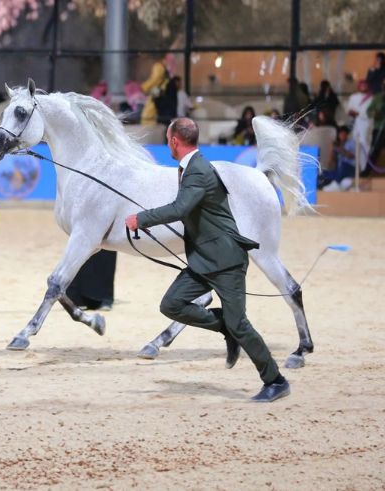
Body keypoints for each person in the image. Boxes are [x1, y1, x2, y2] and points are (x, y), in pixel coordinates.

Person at [124, 117, 290, 403]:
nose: (167, 144)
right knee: (172, 304)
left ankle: (275, 380)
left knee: (241, 326)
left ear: (175, 141)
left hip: (226, 260)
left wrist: (142, 218)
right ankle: (227, 326)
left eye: (167, 139)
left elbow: (180, 208)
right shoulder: (191, 168)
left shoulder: (198, 171)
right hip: (204, 259)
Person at [141, 53, 177, 125]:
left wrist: (144, 87)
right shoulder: (165, 68)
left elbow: (155, 79)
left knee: (149, 113)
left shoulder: (158, 66)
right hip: (162, 96)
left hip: (158, 95)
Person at [346, 79, 373, 170]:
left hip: (366, 125)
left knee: (365, 146)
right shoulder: (353, 97)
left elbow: (370, 113)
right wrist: (354, 113)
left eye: (365, 85)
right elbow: (349, 110)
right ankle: (356, 168)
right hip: (355, 125)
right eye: (361, 85)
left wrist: (358, 113)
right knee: (355, 145)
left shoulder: (371, 98)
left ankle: (364, 168)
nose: (363, 87)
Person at [319, 125, 356, 191]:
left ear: (347, 135)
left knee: (342, 164)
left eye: (343, 134)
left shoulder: (351, 143)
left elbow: (351, 156)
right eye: (340, 134)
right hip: (340, 169)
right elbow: (331, 163)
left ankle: (336, 184)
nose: (342, 136)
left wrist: (339, 148)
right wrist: (332, 151)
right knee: (324, 172)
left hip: (350, 168)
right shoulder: (339, 144)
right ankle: (323, 186)